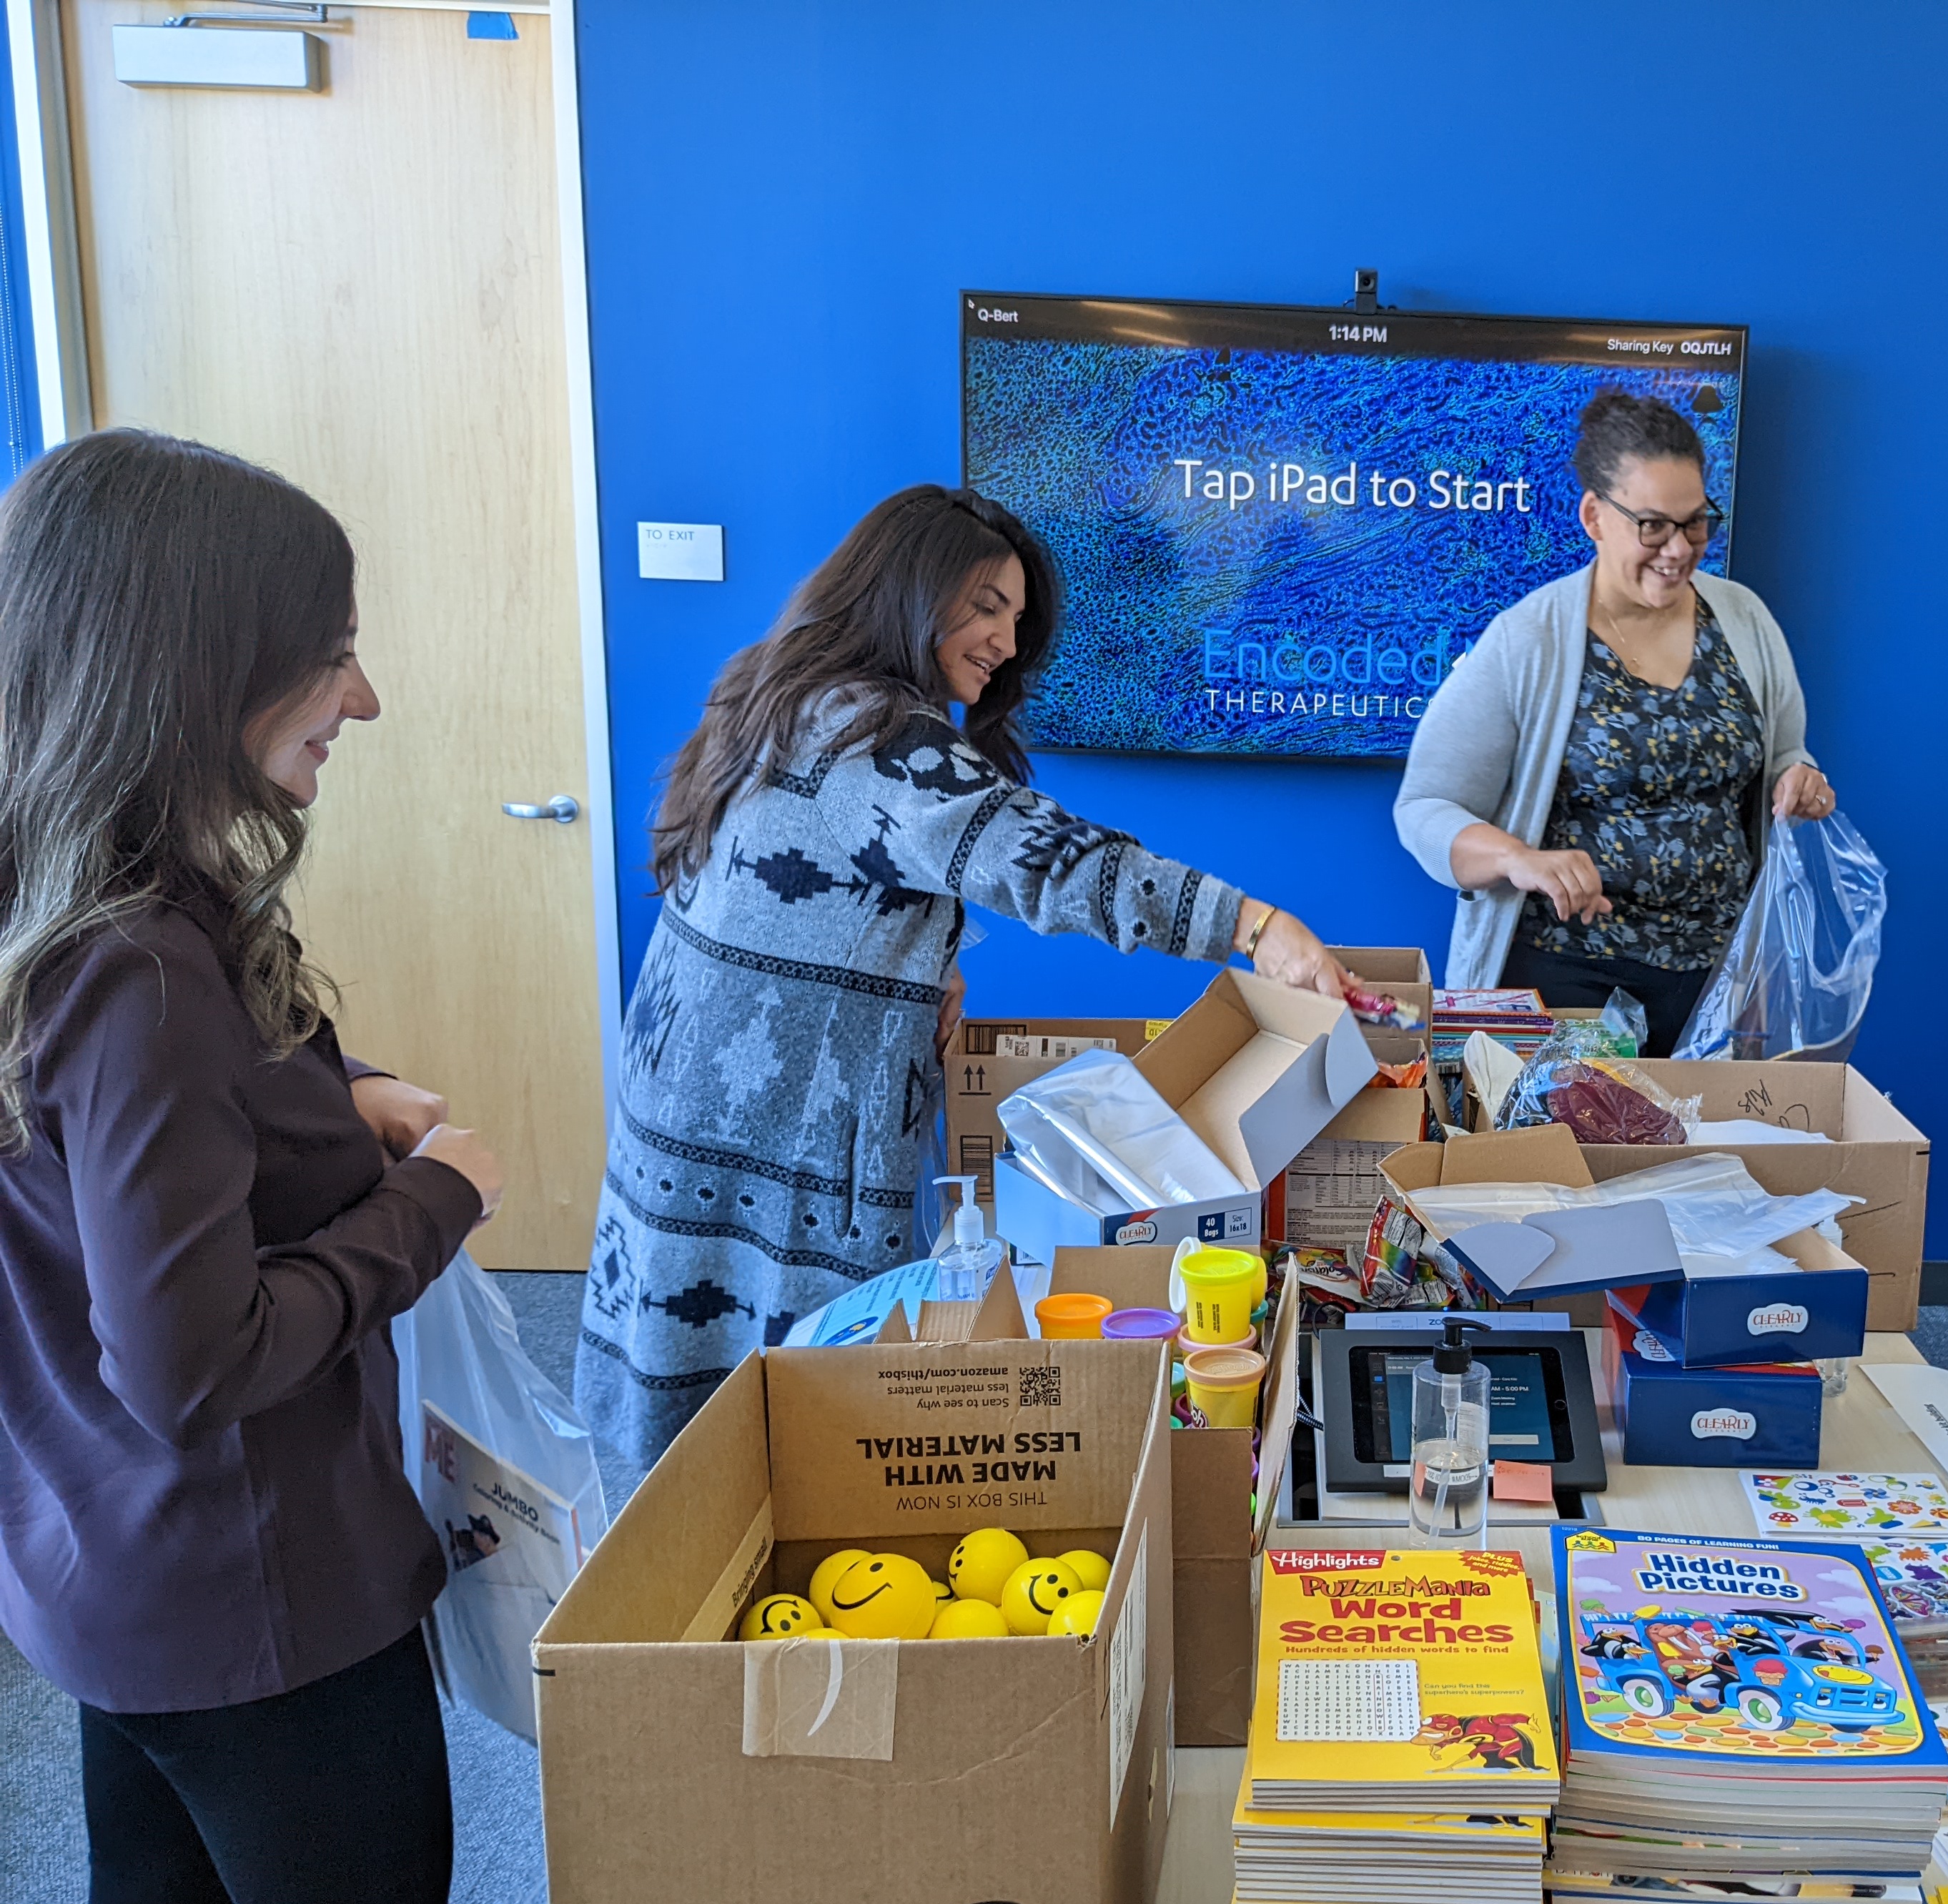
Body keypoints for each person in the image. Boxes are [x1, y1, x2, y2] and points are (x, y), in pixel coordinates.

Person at [0, 431, 501, 1904]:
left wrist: (318, 1109)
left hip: (105, 1577)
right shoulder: (146, 969)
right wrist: (430, 1207)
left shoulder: (61, 918)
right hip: (261, 1601)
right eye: (329, 647)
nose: (361, 697)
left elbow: (94, 1192)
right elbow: (195, 1358)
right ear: (195, 662)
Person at [578, 484, 1352, 1459]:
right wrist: (1255, 924)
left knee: (682, 1419)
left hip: (683, 1131)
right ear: (905, 588)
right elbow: (1052, 863)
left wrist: (922, 964)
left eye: (1018, 620)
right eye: (986, 606)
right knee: (796, 1444)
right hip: (782, 1156)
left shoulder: (770, 691)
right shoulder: (882, 741)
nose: (1004, 638)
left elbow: (810, 887)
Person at [1393, 390, 1836, 1052]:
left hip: (1721, 979)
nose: (1679, 550)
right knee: (1570, 1156)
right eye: (1653, 525)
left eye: (1696, 523)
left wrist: (1799, 780)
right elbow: (1425, 809)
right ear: (1595, 516)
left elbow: (1784, 756)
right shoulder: (1528, 640)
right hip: (1567, 978)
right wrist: (1519, 860)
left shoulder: (1745, 620)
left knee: (1703, 1158)